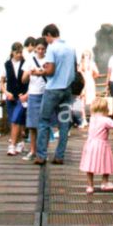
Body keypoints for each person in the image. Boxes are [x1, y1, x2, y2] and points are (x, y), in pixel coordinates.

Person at [34, 23, 77, 165]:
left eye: (45, 38)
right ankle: (59, 156)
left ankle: (41, 156)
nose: (45, 42)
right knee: (64, 123)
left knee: (43, 121)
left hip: (52, 90)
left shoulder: (52, 48)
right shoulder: (71, 48)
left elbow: (50, 71)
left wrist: (40, 72)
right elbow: (74, 69)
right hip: (67, 90)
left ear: (48, 35)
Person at [80, 96, 113, 193]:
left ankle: (90, 186)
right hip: (102, 145)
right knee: (106, 163)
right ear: (106, 109)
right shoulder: (106, 120)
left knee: (89, 165)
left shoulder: (92, 118)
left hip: (90, 144)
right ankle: (104, 183)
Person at [22, 37, 47, 161]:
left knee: (44, 125)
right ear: (35, 49)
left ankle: (43, 151)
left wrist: (43, 72)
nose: (41, 51)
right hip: (33, 94)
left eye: (43, 49)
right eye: (38, 49)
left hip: (46, 93)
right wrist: (29, 72)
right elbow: (23, 79)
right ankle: (33, 150)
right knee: (32, 125)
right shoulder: (30, 60)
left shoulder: (49, 60)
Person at [2, 42, 27, 156]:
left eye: (21, 52)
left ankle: (12, 145)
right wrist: (6, 92)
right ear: (12, 52)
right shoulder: (6, 64)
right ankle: (20, 142)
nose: (19, 55)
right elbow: (1, 82)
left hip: (21, 96)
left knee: (16, 120)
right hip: (10, 96)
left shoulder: (25, 63)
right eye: (17, 52)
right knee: (15, 120)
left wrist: (26, 93)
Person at [78, 49, 99, 127]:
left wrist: (91, 77)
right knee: (82, 102)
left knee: (91, 102)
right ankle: (83, 120)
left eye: (87, 55)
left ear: (90, 56)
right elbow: (78, 73)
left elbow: (97, 73)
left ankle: (93, 119)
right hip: (82, 83)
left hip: (89, 83)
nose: (86, 56)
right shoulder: (80, 64)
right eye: (84, 55)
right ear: (82, 56)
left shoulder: (92, 63)